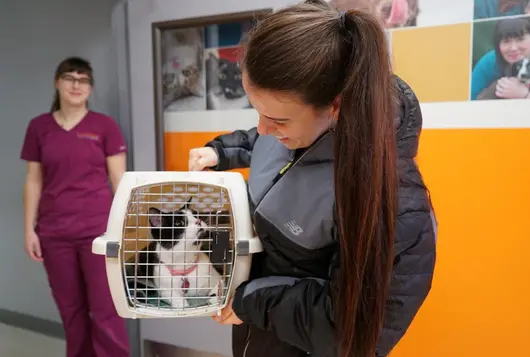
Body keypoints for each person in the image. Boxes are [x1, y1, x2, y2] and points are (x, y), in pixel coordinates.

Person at [189, 1, 437, 357]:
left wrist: (249, 301)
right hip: (258, 338)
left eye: (279, 120)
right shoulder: (293, 130)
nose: (263, 128)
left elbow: (349, 332)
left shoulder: (395, 206)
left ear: (335, 106)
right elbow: (262, 143)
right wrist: (222, 151)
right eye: (256, 111)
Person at [21, 56, 130, 357]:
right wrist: (29, 229)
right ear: (57, 82)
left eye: (83, 80)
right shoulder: (39, 127)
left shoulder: (104, 127)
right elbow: (33, 181)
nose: (76, 85)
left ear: (91, 88)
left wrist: (126, 228)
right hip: (54, 233)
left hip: (98, 231)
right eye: (70, 77)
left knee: (106, 310)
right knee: (72, 313)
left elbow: (119, 180)